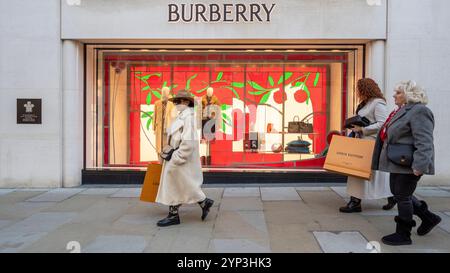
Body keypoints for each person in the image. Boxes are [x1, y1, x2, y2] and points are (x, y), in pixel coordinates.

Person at [372, 81, 441, 246]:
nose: (394, 95)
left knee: (402, 197)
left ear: (409, 95)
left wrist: (420, 166)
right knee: (400, 195)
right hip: (397, 162)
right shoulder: (402, 110)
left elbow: (424, 141)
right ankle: (429, 218)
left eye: (398, 92)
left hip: (409, 164)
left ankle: (403, 234)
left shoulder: (420, 111)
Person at [155, 90, 214, 227]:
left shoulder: (188, 119)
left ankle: (174, 215)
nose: (175, 104)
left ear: (186, 102)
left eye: (178, 101)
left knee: (174, 185)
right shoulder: (183, 117)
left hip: (181, 159)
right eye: (175, 101)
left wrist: (176, 157)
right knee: (183, 185)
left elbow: (189, 143)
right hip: (179, 158)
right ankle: (204, 202)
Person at [339, 78, 395, 213]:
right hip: (362, 141)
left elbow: (383, 123)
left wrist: (362, 129)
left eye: (358, 89)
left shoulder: (378, 103)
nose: (356, 91)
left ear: (365, 89)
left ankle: (355, 202)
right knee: (359, 172)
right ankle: (390, 196)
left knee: (361, 172)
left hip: (370, 143)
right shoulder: (366, 103)